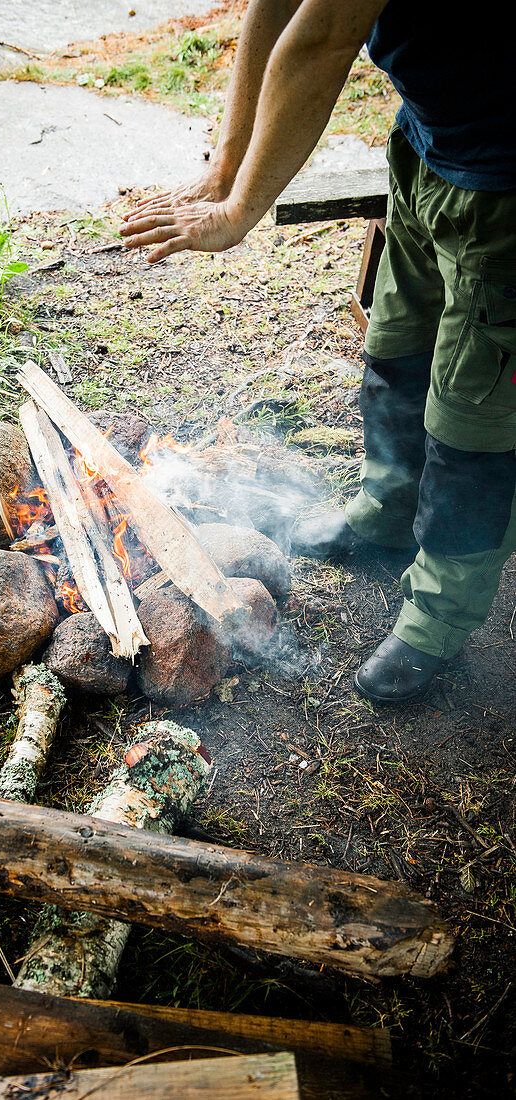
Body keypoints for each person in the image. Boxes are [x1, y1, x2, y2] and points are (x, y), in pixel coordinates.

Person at [121, 0, 516, 704]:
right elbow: (275, 7)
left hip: (505, 182)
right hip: (432, 141)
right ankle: (387, 512)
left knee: (476, 426)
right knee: (399, 350)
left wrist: (238, 210)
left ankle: (439, 616)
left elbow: (321, 38)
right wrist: (225, 168)